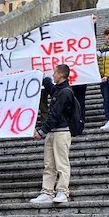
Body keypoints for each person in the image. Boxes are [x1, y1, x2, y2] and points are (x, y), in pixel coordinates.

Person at [30, 64, 74, 204]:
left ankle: (62, 191)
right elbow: (51, 88)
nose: (53, 74)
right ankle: (47, 192)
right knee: (49, 164)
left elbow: (55, 115)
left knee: (62, 163)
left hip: (61, 132)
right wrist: (41, 76)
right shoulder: (59, 90)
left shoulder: (66, 92)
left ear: (61, 75)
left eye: (55, 72)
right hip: (52, 132)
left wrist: (41, 131)